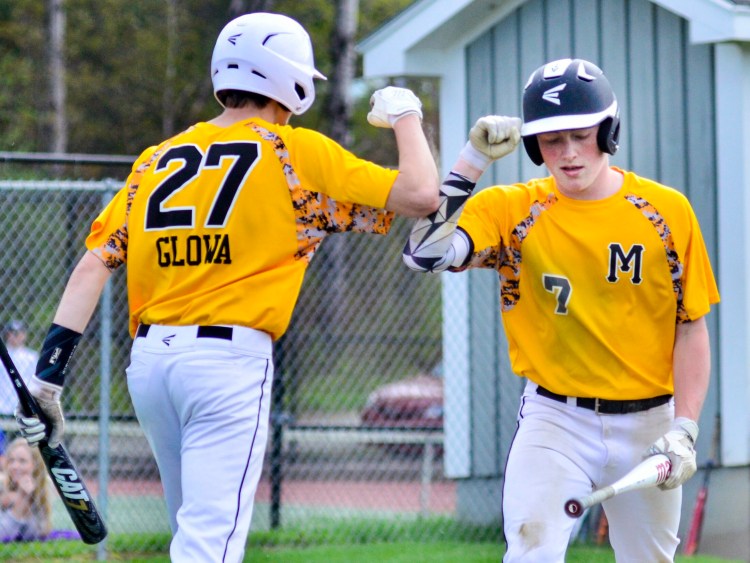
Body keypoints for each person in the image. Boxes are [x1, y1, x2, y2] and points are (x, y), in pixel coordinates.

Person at [14, 11, 439, 562]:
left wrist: (46, 382)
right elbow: (421, 195)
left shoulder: (155, 159)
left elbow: (91, 267)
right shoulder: (293, 150)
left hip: (150, 367)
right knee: (209, 545)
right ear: (291, 80)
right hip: (225, 363)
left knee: (191, 537)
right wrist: (406, 114)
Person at [402, 58, 719, 561]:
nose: (569, 153)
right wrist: (470, 161)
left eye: (581, 135)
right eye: (551, 140)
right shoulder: (509, 209)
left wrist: (685, 428)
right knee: (530, 550)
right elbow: (423, 253)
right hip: (556, 421)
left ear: (608, 132)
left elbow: (691, 329)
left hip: (650, 423)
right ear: (533, 146)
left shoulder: (666, 211)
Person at [0, 321, 39, 464]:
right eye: (11, 333)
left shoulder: (31, 357)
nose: (14, 336)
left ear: (24, 335)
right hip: (3, 407)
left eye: (18, 333)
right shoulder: (2, 356)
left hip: (22, 407)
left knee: (24, 447)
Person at [0, 437, 52, 542]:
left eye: (22, 461)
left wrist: (26, 499)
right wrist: (21, 497)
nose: (14, 466)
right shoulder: (2, 488)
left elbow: (37, 534)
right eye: (11, 460)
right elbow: (3, 534)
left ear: (35, 465)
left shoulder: (40, 491)